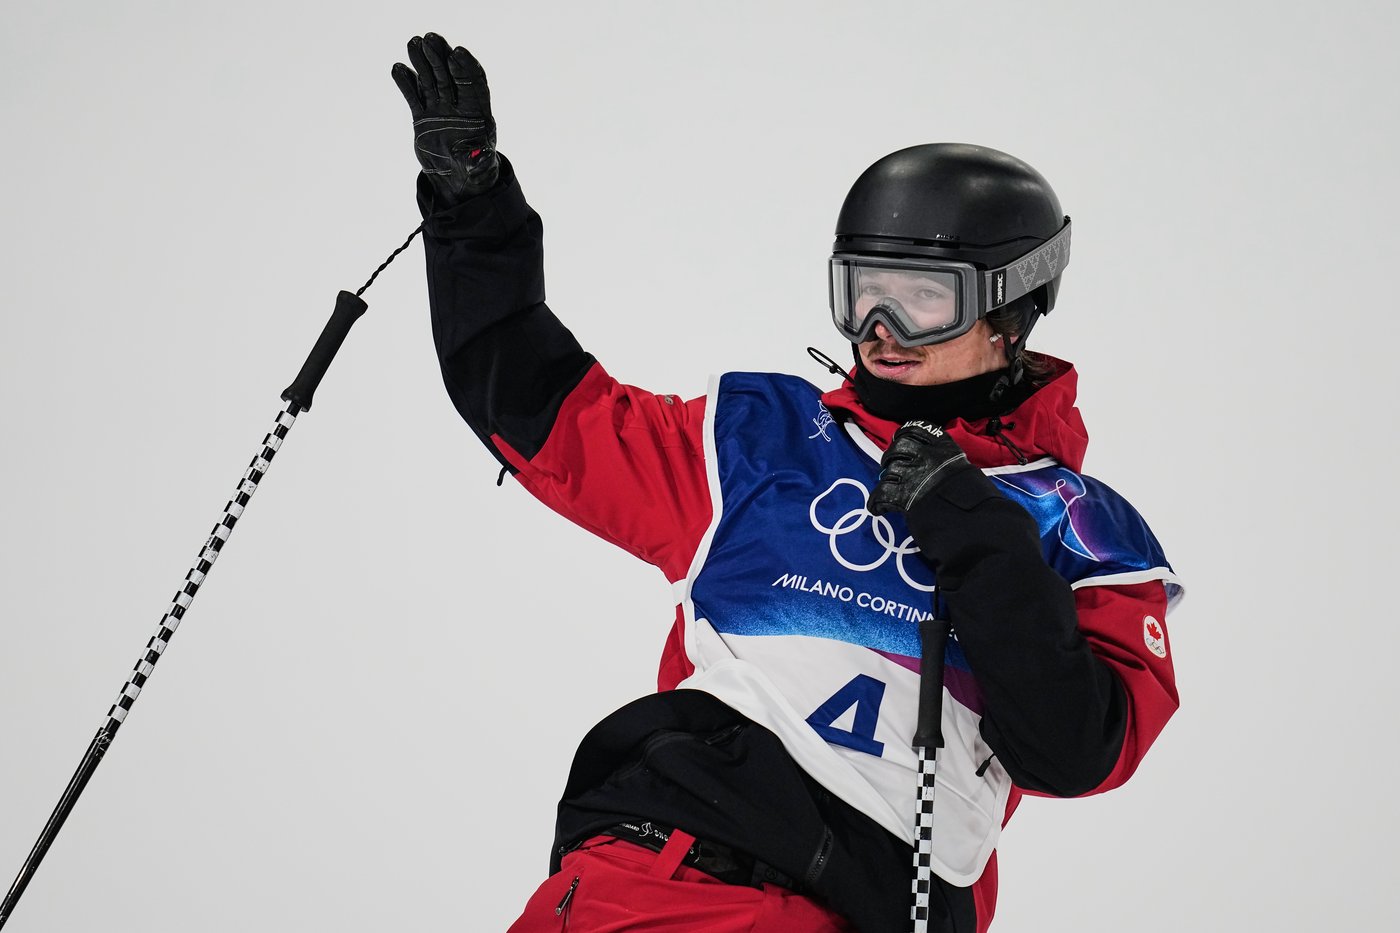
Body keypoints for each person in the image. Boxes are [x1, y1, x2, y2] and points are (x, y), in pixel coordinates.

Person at [392, 33, 1183, 933]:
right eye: (862, 294)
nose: (880, 329)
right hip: (637, 879)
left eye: (923, 299)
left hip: (841, 905)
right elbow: (539, 406)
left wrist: (975, 527)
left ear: (1008, 309)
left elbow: (1072, 748)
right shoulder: (760, 442)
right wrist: (473, 209)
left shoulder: (1086, 536)